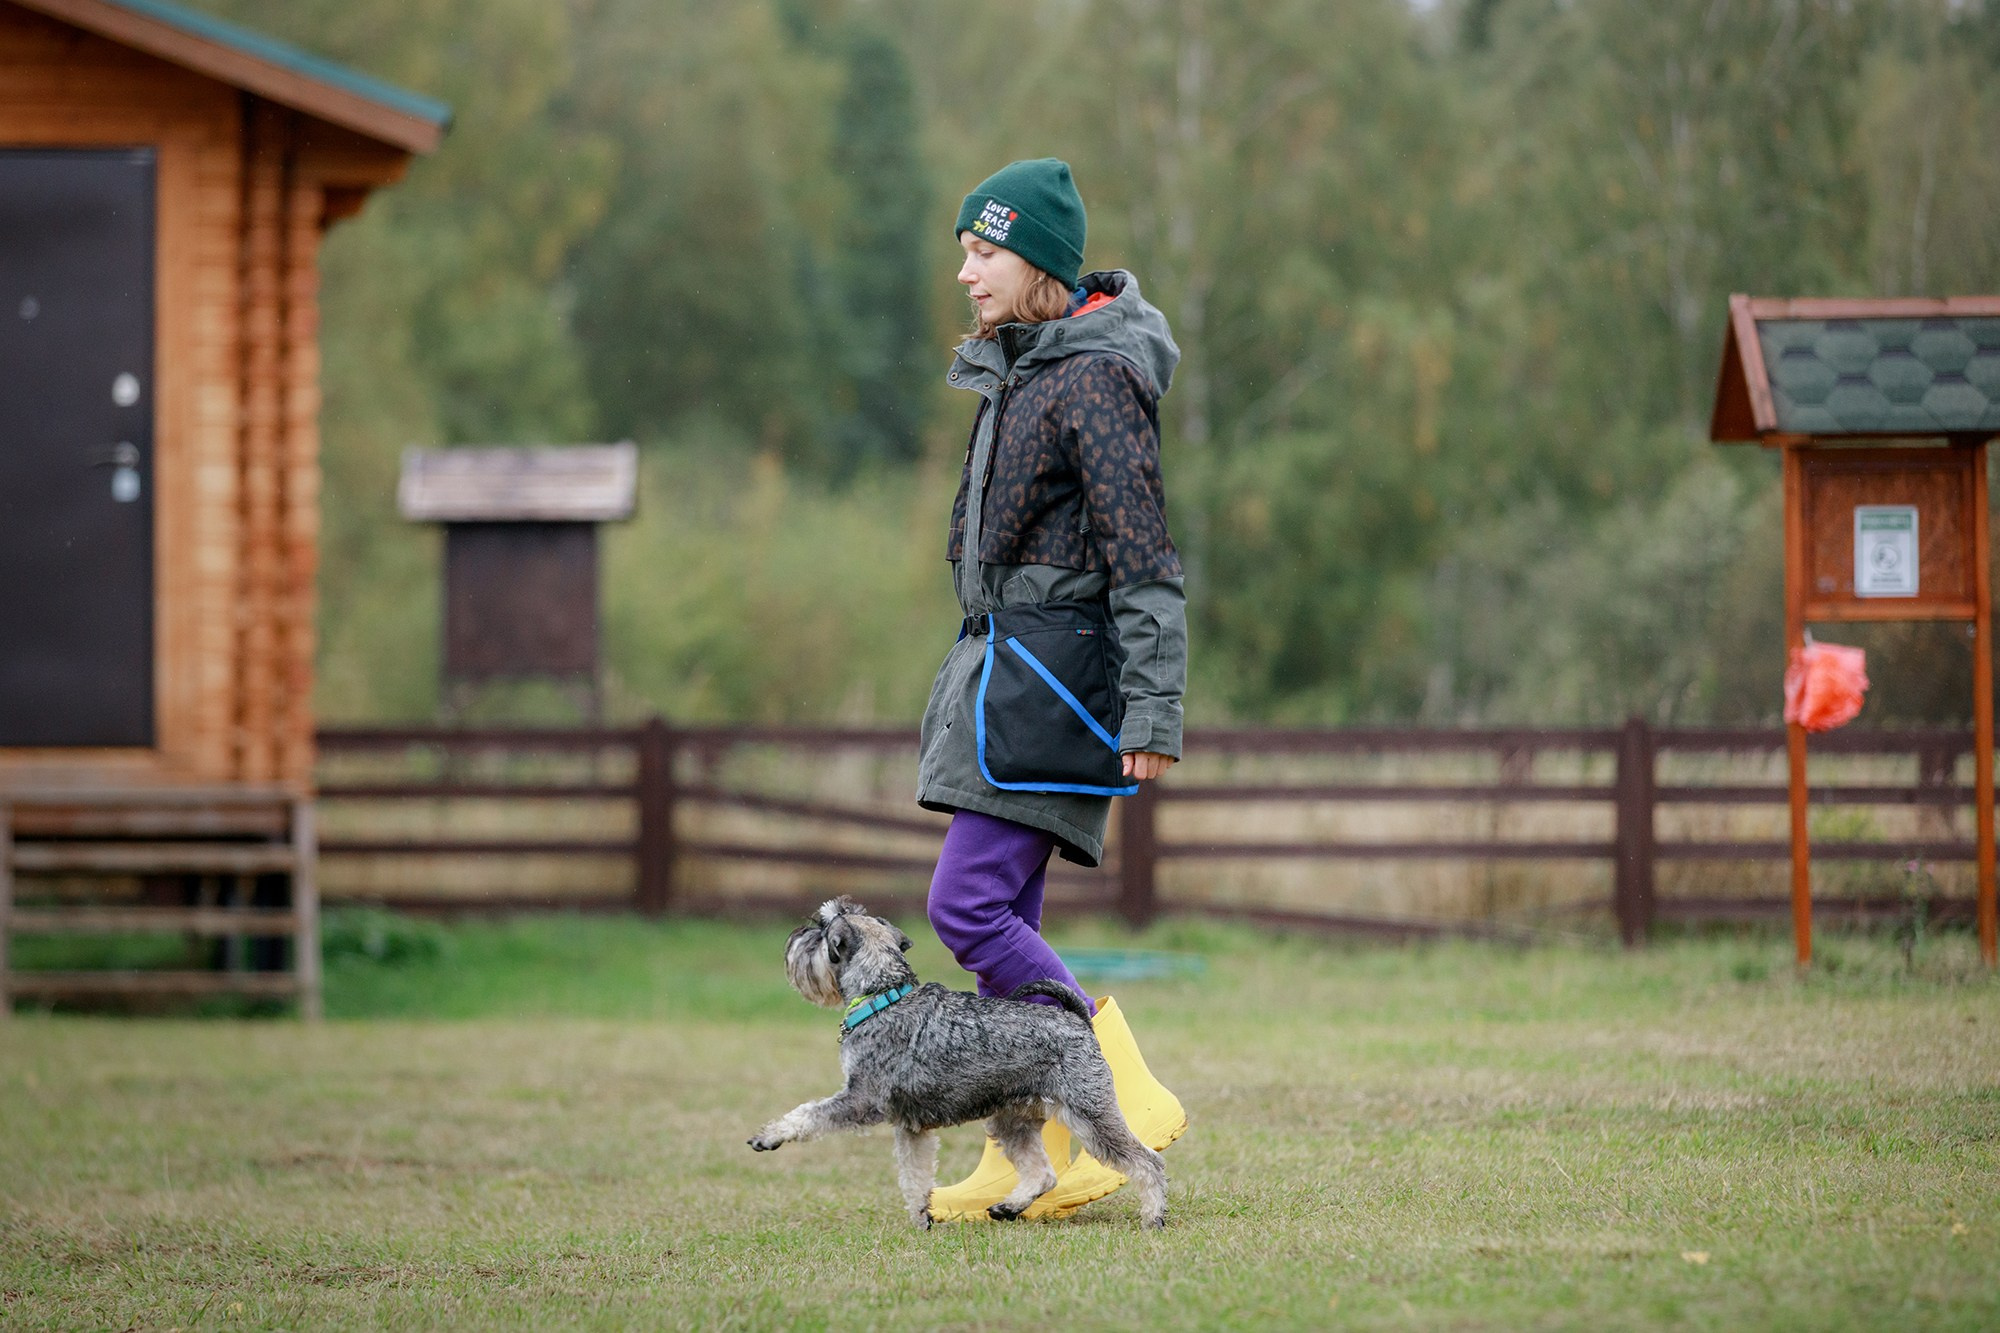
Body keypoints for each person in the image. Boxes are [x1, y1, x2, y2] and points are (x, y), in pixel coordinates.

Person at [915, 158, 1188, 1220]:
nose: (964, 272)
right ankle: (1019, 1148)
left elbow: (1144, 558)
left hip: (1055, 686)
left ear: (1037, 261)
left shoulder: (1094, 377)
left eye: (983, 251)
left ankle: (1123, 1101)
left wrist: (1153, 709)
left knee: (967, 907)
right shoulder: (1022, 367)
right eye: (963, 250)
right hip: (1007, 678)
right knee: (1007, 925)